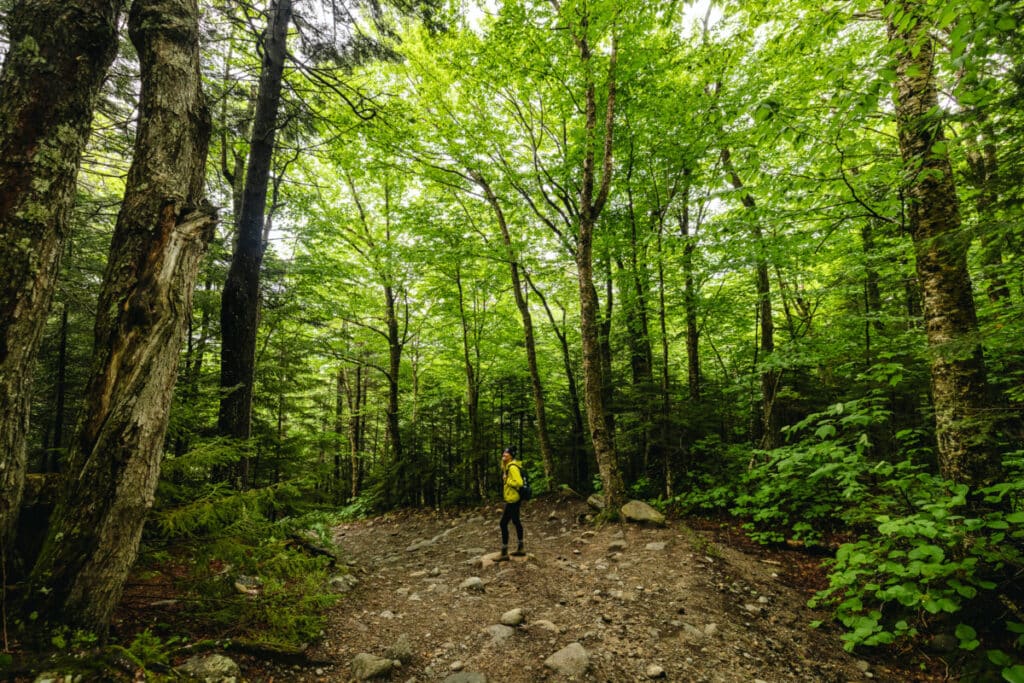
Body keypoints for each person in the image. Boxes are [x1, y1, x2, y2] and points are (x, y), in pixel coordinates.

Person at [498, 447, 526, 560]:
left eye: (507, 453)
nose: (504, 454)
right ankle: (521, 548)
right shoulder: (508, 466)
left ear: (511, 455)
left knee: (503, 523)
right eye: (504, 452)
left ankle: (504, 553)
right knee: (515, 521)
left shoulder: (513, 467)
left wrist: (507, 480)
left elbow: (519, 483)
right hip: (513, 498)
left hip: (513, 499)